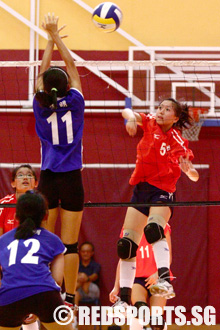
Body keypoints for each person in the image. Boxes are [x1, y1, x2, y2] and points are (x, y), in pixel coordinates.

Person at [116, 98, 199, 305]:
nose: (161, 111)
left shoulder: (176, 139)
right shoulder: (151, 121)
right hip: (141, 189)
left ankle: (164, 280)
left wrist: (190, 171)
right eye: (160, 107)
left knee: (154, 229)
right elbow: (127, 111)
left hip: (162, 191)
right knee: (125, 246)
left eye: (167, 109)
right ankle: (123, 299)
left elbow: (195, 175)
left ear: (176, 117)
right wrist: (131, 120)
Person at [33, 13, 85, 308]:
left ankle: (46, 291)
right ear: (67, 86)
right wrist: (55, 35)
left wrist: (48, 38)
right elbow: (73, 67)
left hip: (49, 178)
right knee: (70, 244)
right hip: (72, 179)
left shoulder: (39, 105)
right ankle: (68, 296)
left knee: (46, 241)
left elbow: (43, 76)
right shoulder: (76, 102)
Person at [0, 191, 74, 330]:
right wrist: (38, 307)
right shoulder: (53, 240)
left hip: (10, 294)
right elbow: (57, 280)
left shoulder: (3, 240)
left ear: (16, 216)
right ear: (45, 216)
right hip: (44, 293)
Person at [110, 224, 172, 330]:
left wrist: (157, 273)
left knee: (157, 320)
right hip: (137, 278)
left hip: (158, 278)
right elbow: (123, 260)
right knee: (140, 309)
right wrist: (116, 287)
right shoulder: (130, 226)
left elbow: (168, 255)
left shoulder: (161, 223)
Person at [0, 164, 39, 330]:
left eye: (29, 175)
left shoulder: (41, 207)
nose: (25, 177)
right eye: (21, 175)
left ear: (35, 183)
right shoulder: (4, 205)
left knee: (30, 313)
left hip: (30, 268)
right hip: (6, 269)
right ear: (13, 183)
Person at [74, 242, 101, 330]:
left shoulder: (96, 265)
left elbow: (95, 276)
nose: (85, 253)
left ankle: (66, 295)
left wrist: (86, 278)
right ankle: (74, 322)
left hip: (92, 290)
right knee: (75, 294)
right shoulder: (76, 265)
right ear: (80, 252)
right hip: (79, 291)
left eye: (88, 251)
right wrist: (82, 279)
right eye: (83, 251)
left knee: (85, 282)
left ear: (92, 253)